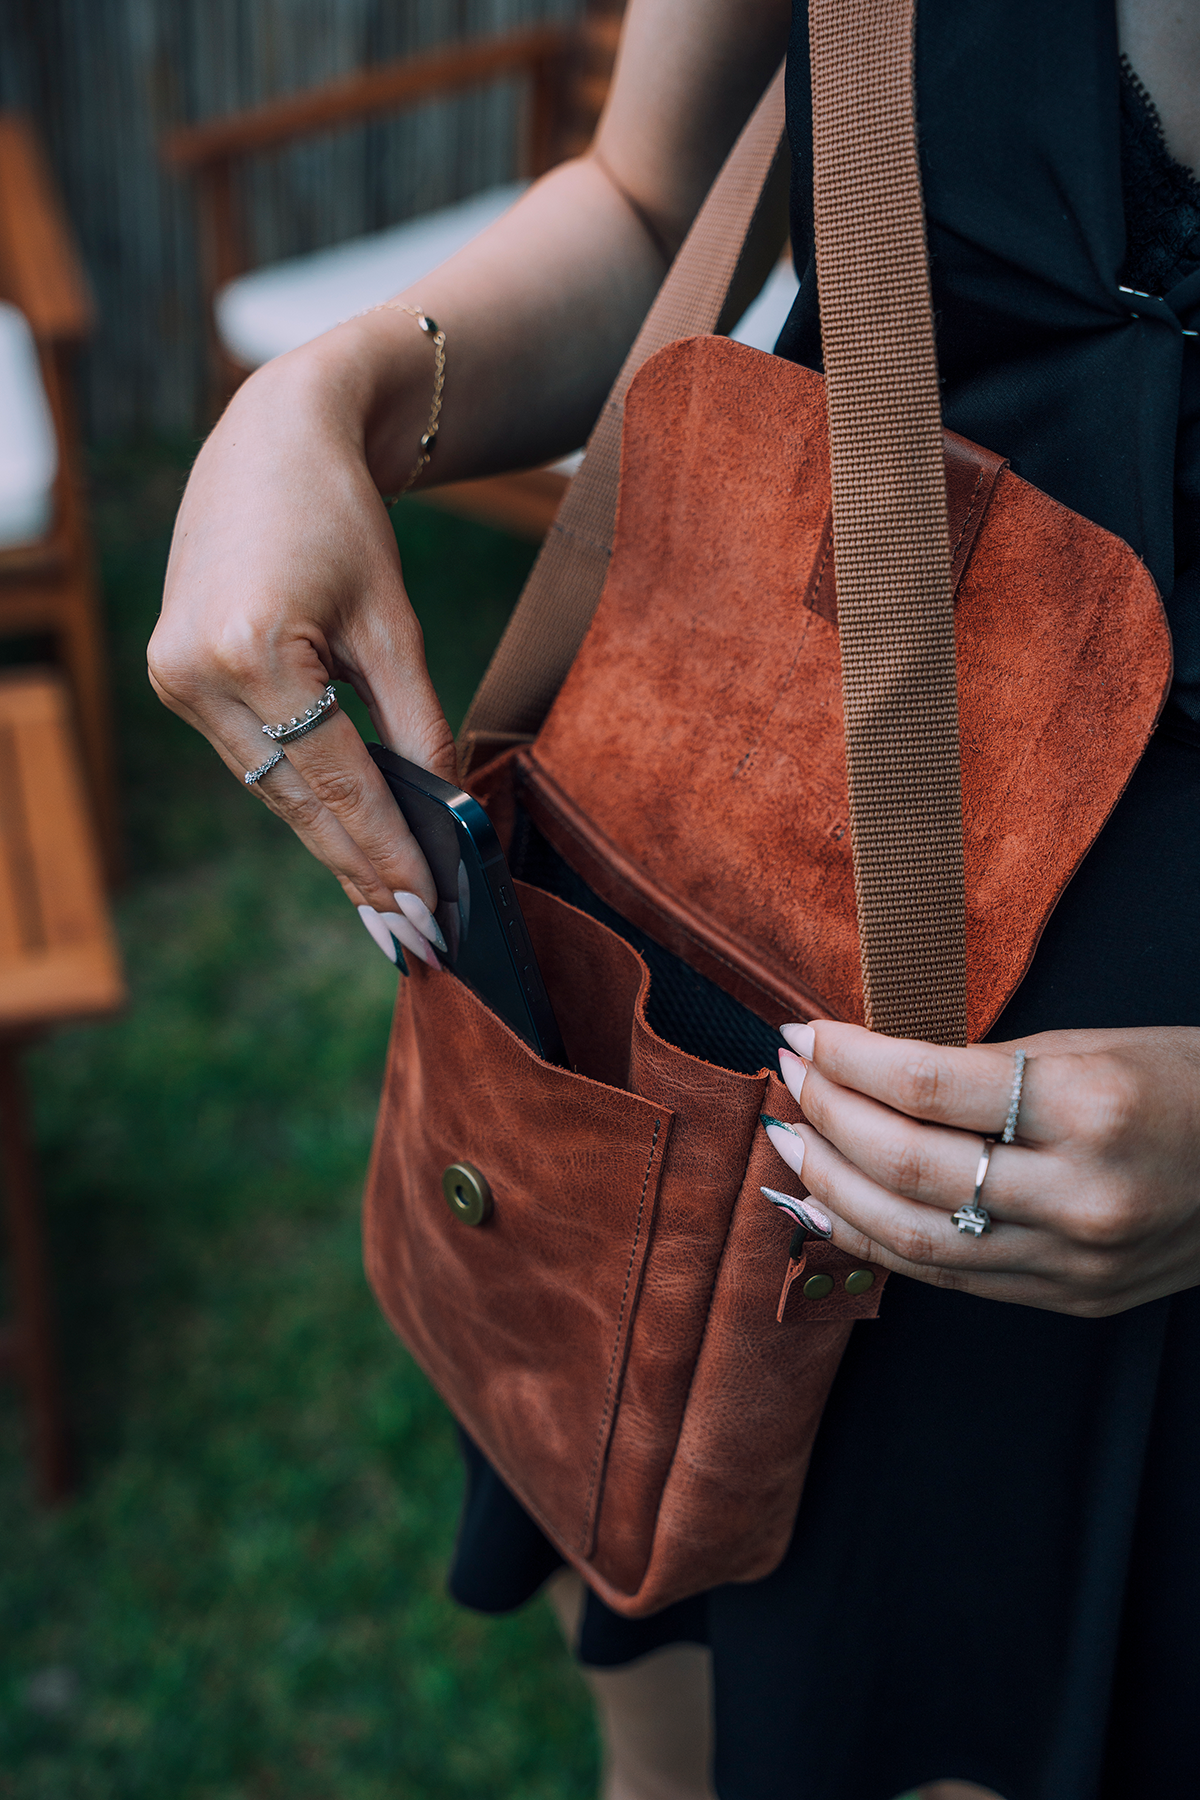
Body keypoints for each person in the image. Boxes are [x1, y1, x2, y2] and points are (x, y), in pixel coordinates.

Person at [149, 1, 1200, 1795]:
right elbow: (652, 203)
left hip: (1124, 1220)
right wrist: (320, 396)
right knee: (700, 1710)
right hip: (744, 1000)